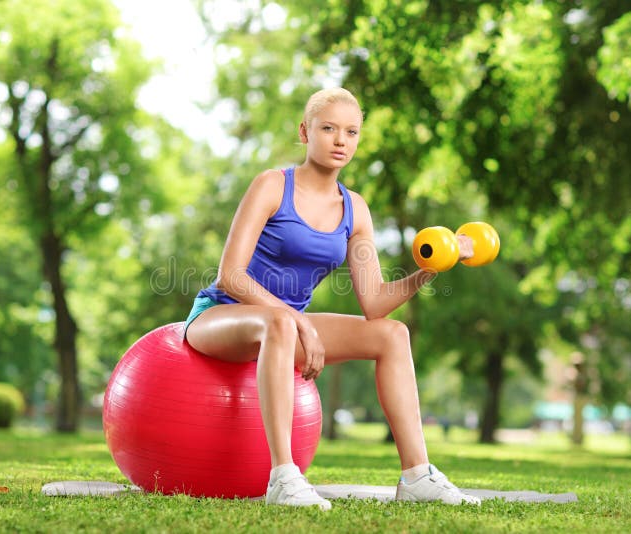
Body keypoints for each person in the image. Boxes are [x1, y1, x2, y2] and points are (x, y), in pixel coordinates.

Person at [184, 87, 480, 510]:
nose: (341, 140)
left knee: (393, 334)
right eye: (329, 129)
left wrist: (434, 266)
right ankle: (283, 479)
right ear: (305, 133)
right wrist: (299, 321)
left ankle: (417, 475)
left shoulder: (355, 209)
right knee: (282, 323)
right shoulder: (272, 185)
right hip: (222, 316)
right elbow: (229, 275)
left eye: (352, 132)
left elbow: (375, 302)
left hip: (284, 330)